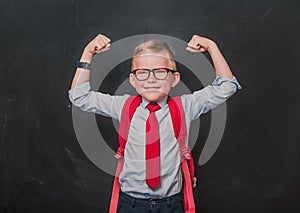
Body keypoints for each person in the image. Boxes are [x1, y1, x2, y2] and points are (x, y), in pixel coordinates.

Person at [68, 34, 241, 213]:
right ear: (132, 80)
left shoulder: (186, 106)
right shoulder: (122, 106)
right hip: (130, 203)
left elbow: (227, 86)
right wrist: (87, 53)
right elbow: (79, 96)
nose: (151, 79)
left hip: (171, 204)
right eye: (142, 73)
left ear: (174, 79)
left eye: (160, 72)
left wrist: (212, 46)